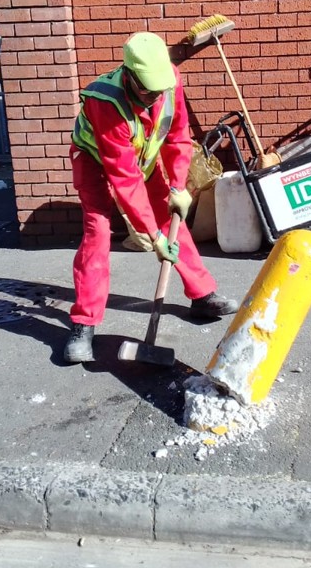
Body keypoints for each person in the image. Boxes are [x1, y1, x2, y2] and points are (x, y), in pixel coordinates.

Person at [65, 32, 239, 363]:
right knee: (98, 234)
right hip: (93, 162)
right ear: (129, 74)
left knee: (172, 217)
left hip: (140, 160)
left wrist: (178, 187)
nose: (152, 96)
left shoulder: (168, 80)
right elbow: (124, 177)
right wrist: (154, 237)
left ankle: (202, 296)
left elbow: (176, 136)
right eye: (145, 89)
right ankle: (83, 323)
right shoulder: (106, 102)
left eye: (157, 89)